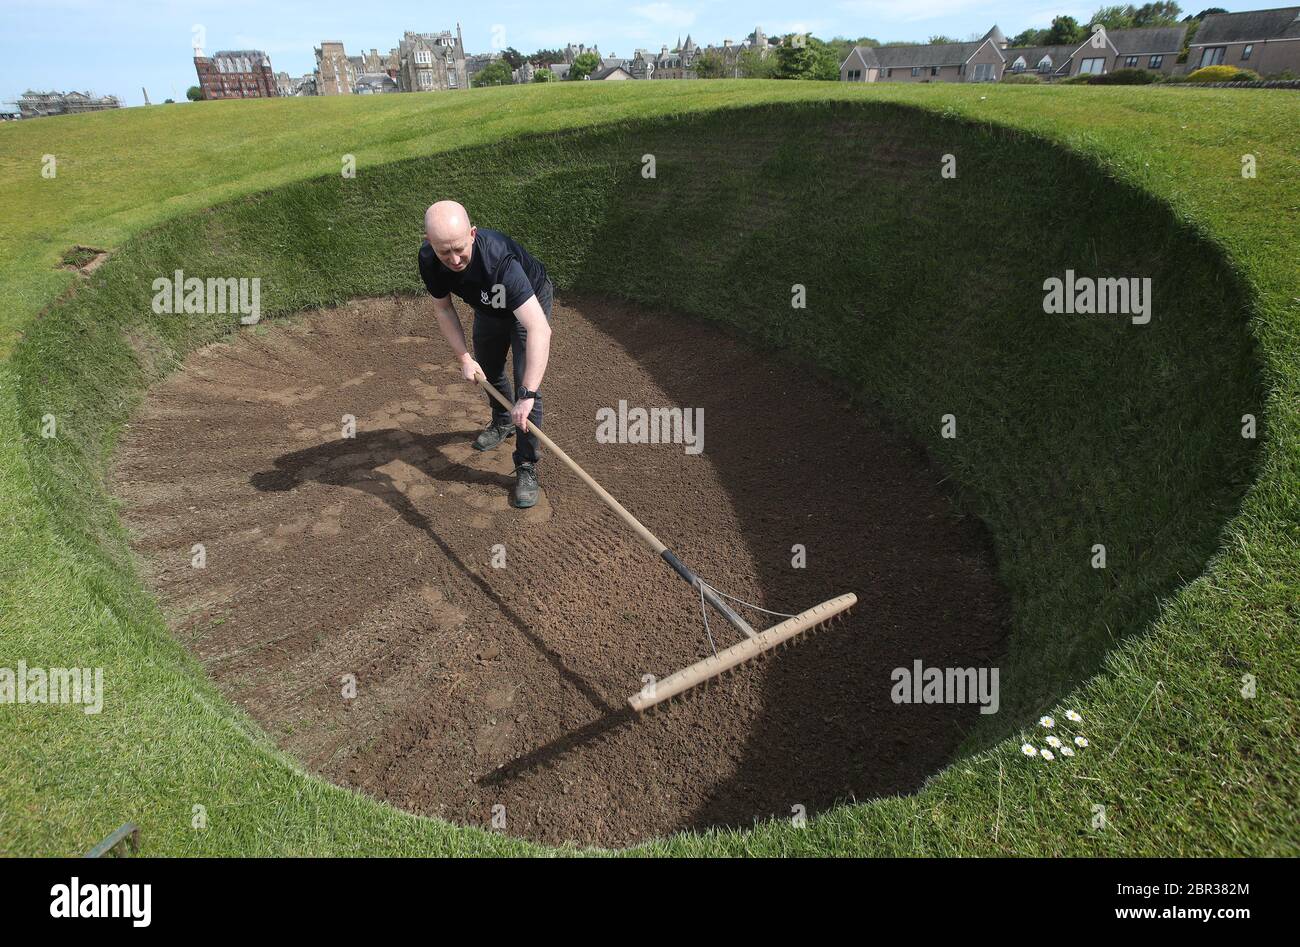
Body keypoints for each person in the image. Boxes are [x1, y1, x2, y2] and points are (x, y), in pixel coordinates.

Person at [418, 200, 553, 509]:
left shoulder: (499, 261)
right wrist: (464, 357)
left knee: (525, 389)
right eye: (444, 252)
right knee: (488, 370)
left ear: (473, 233)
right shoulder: (429, 258)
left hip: (526, 307)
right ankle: (502, 419)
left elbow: (539, 330)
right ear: (429, 244)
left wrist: (528, 393)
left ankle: (526, 464)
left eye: (459, 249)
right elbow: (443, 309)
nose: (453, 259)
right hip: (488, 307)